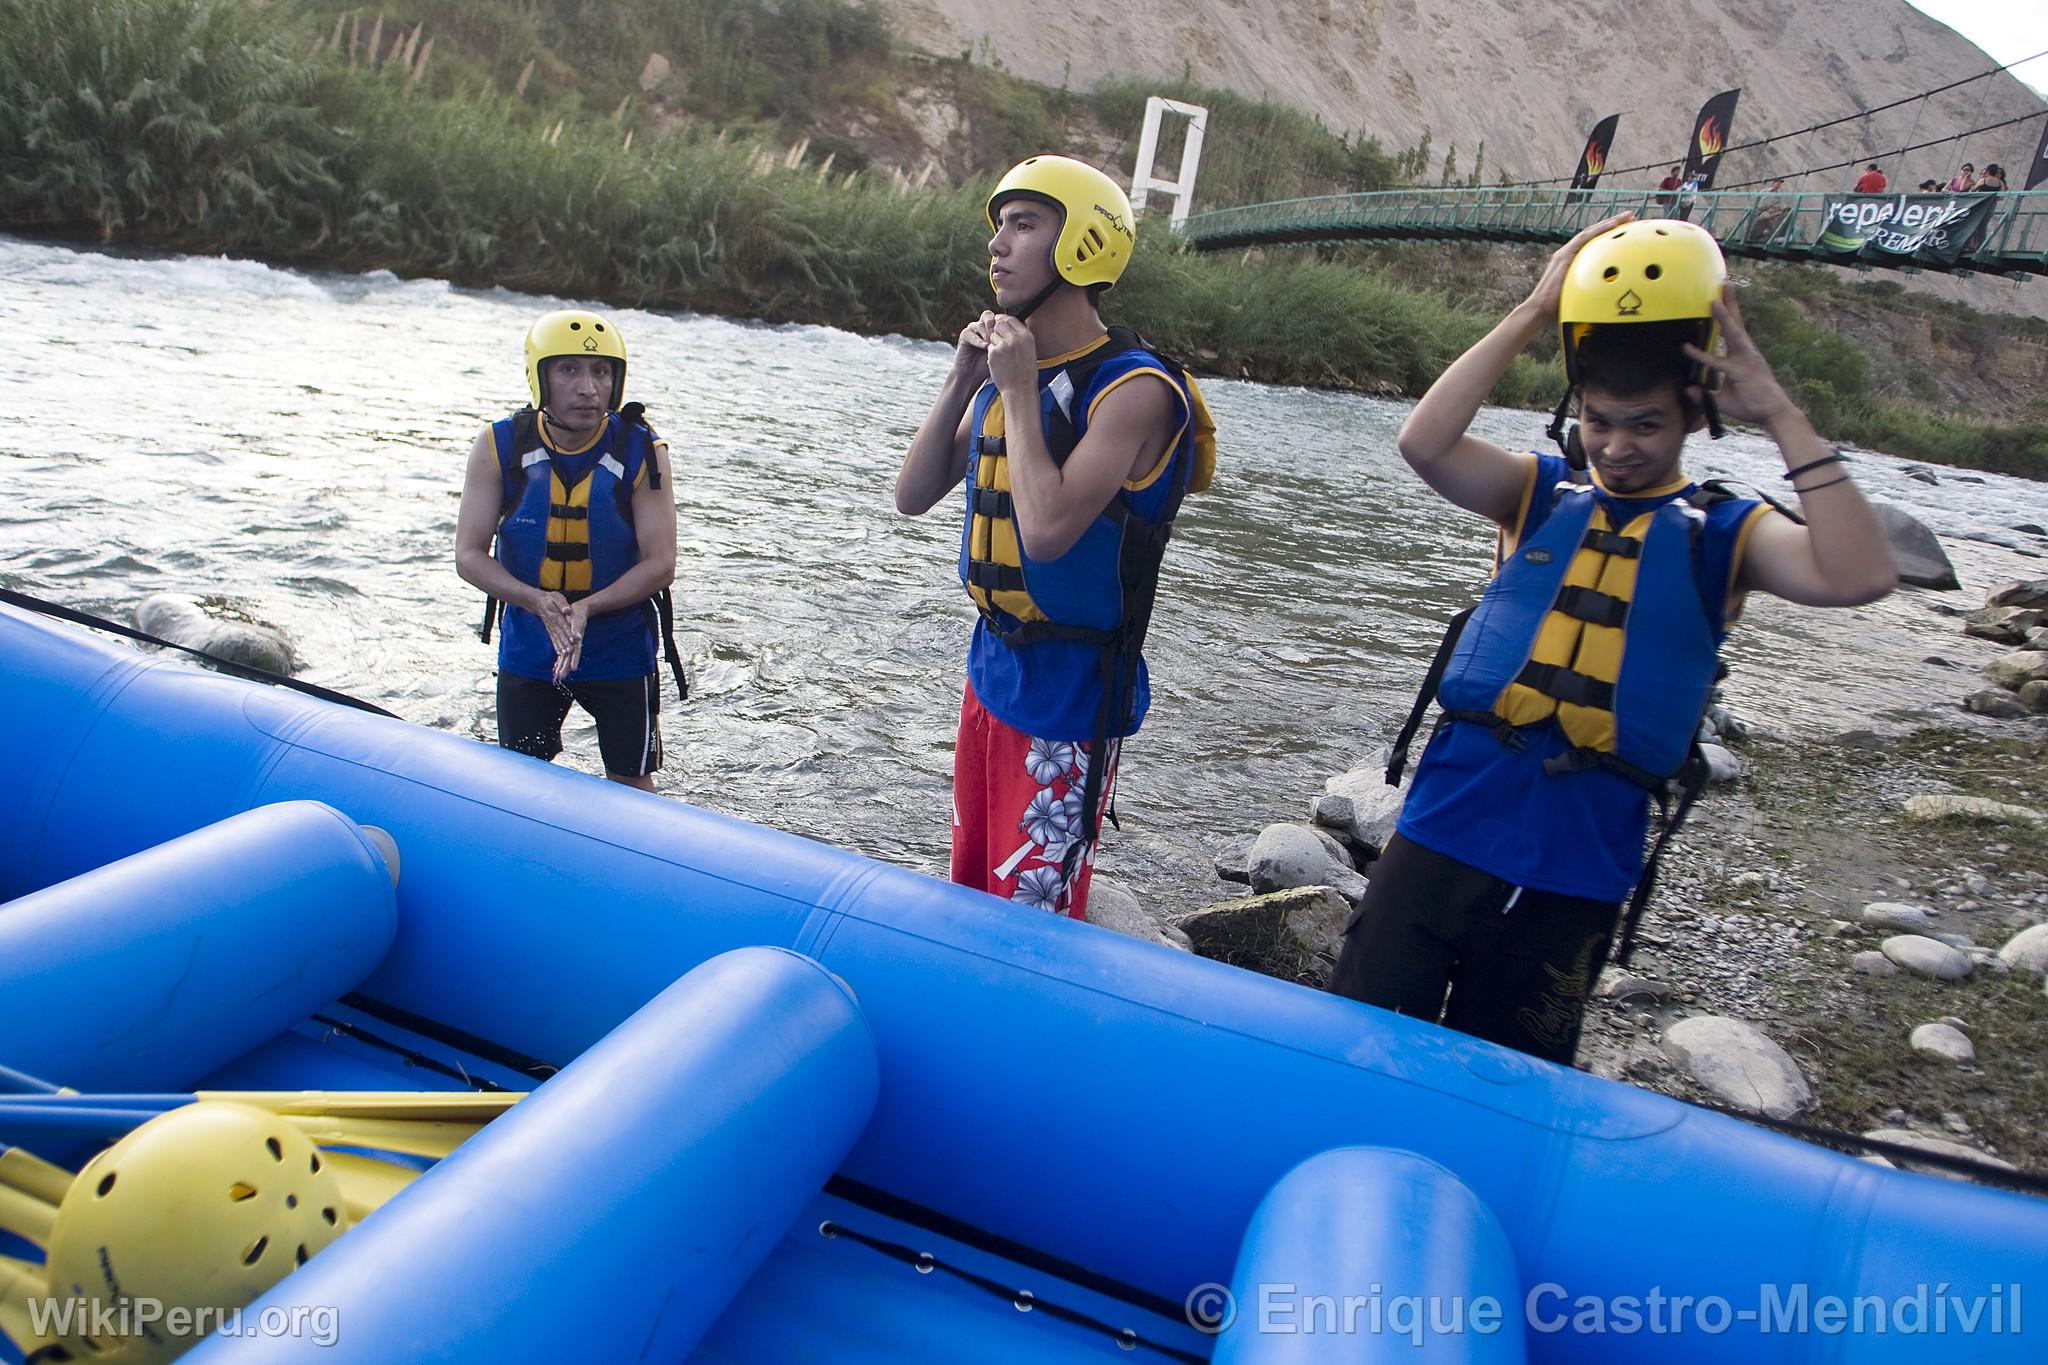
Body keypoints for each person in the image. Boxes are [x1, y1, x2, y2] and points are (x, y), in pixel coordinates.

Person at [1327, 216, 1897, 1064]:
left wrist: (1777, 410)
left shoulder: (1726, 534)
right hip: (1446, 826)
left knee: (1510, 1078)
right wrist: (1533, 308)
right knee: (1363, 1045)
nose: (1618, 448)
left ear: (1691, 419)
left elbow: (1859, 575)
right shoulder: (1537, 493)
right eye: (1600, 422)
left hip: (1578, 867)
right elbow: (1424, 442)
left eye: (1645, 426)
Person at [894, 154, 1215, 920]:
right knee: (968, 891)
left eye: (1025, 224)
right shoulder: (1011, 368)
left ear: (1082, 248)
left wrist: (1015, 389)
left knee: (1029, 920)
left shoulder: (1137, 390)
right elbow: (911, 496)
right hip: (993, 671)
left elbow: (1045, 534)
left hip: (1070, 697)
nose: (997, 245)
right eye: (999, 225)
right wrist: (961, 379)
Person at [454, 310, 682, 791]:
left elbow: (661, 563)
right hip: (531, 645)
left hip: (619, 648)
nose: (588, 387)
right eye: (569, 370)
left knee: (632, 783)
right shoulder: (499, 446)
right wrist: (538, 601)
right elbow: (469, 555)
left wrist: (587, 608)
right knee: (521, 781)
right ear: (540, 377)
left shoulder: (644, 451)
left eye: (600, 372)